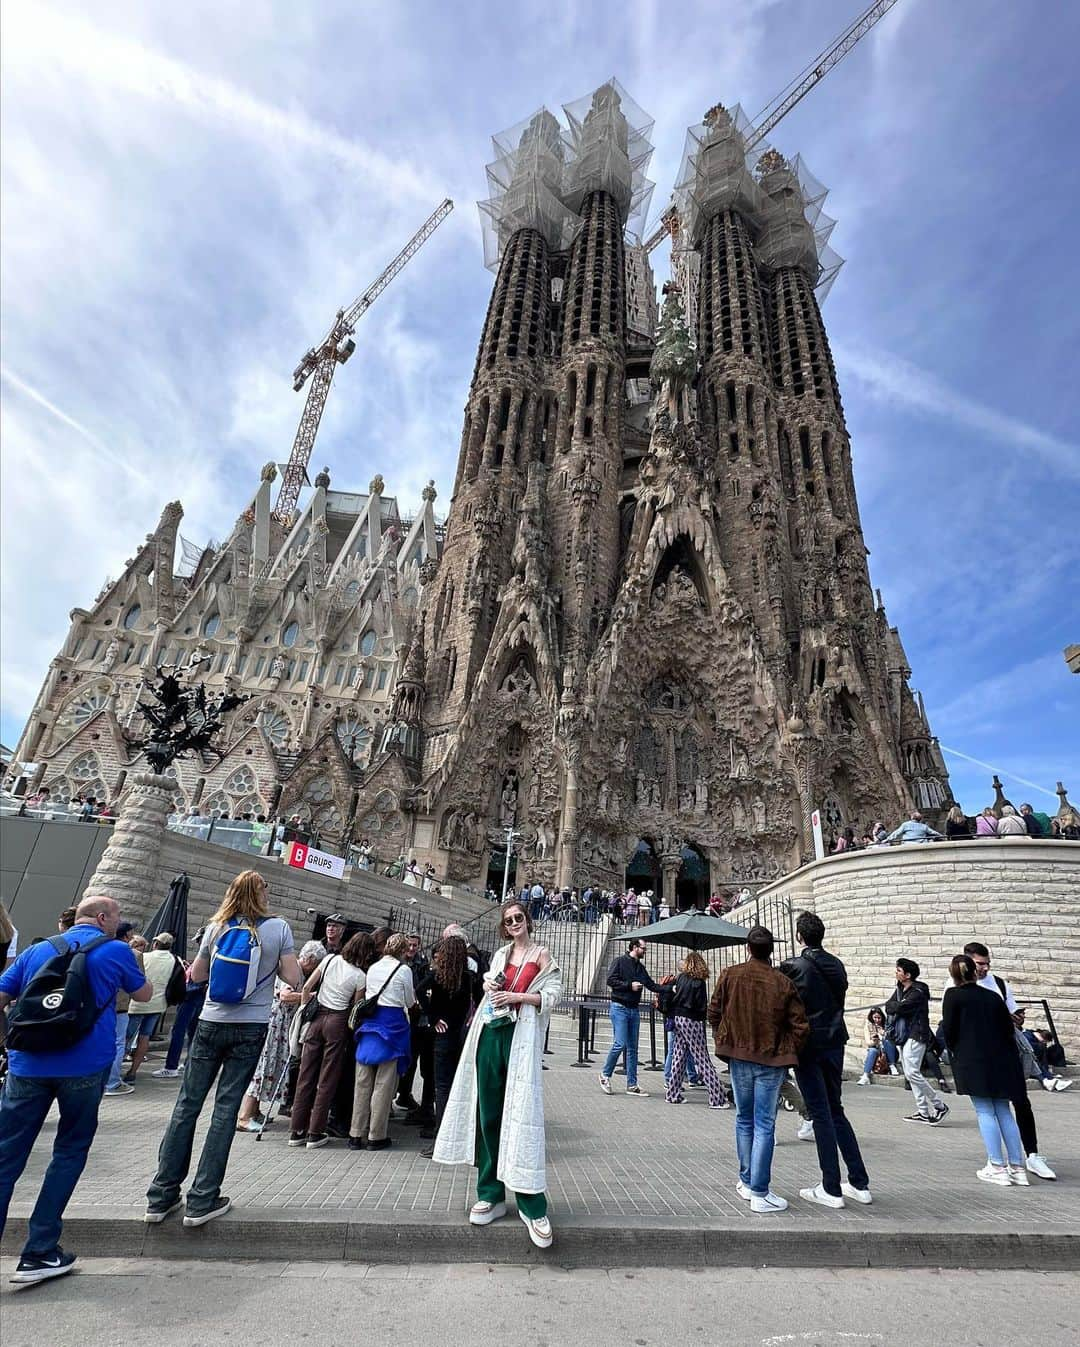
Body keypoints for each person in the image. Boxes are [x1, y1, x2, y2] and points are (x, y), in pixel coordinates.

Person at [0, 897, 151, 1283]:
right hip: (84, 1067)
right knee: (68, 1152)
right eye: (117, 918)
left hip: (27, 1064)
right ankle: (39, 1251)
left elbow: (2, 994)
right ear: (102, 918)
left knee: (5, 1158)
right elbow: (145, 994)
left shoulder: (39, 949)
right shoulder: (115, 950)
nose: (120, 925)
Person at [145, 870, 299, 1227]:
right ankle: (202, 1199)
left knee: (186, 1106)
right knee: (226, 1108)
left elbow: (196, 976)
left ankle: (161, 1196)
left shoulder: (216, 927)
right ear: (262, 893)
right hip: (250, 1026)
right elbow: (293, 978)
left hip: (211, 1022)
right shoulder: (278, 928)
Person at [433, 899, 562, 1250]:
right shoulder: (501, 955)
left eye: (519, 917)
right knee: (487, 1114)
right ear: (503, 926)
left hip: (519, 1037)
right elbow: (488, 989)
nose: (515, 922)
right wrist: (492, 989)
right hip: (492, 1033)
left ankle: (531, 1204)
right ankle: (489, 1192)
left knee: (521, 1116)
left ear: (528, 920)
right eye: (509, 920)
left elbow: (553, 995)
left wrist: (521, 996)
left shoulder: (543, 954)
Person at [707, 926, 809, 1215]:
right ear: (771, 950)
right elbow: (800, 1026)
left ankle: (746, 1180)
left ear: (748, 948)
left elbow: (713, 1012)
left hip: (739, 1057)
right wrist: (786, 1049)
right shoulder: (783, 982)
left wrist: (725, 1039)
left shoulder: (730, 975)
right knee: (764, 1123)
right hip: (771, 1059)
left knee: (744, 1119)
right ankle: (759, 1192)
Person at [780, 912, 871, 1209]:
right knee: (835, 1110)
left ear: (799, 936)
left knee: (820, 1113)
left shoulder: (796, 966)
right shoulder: (837, 964)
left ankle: (830, 1187)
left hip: (809, 1045)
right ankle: (859, 1182)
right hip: (835, 1042)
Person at [959, 942, 1061, 1179]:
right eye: (979, 964)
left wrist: (1015, 1019)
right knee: (993, 1108)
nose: (984, 968)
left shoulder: (999, 984)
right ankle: (1002, 1163)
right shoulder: (956, 986)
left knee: (1017, 1103)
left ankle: (1029, 1156)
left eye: (987, 963)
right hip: (981, 1054)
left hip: (1006, 1050)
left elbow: (1014, 1018)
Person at [942, 954, 1028, 1186]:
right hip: (1002, 1059)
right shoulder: (992, 996)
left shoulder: (953, 996)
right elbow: (1007, 1029)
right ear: (973, 971)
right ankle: (1018, 1167)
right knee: (1003, 1110)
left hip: (973, 1060)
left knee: (984, 1111)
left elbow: (949, 1031)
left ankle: (997, 1166)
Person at [288, 932, 370, 1148]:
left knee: (305, 1075)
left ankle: (296, 1130)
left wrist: (305, 1010)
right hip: (338, 1020)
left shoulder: (329, 959)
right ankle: (315, 1132)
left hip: (317, 1017)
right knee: (327, 1078)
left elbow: (307, 988)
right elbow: (356, 1007)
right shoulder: (360, 976)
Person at [236, 939, 326, 1130]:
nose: (315, 969)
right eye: (316, 964)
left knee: (269, 1066)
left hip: (281, 1024)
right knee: (264, 1065)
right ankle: (244, 1116)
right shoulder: (293, 970)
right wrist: (312, 995)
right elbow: (284, 996)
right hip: (275, 1024)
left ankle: (254, 1111)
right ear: (310, 959)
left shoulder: (295, 969)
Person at [349, 933, 415, 1151]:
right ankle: (376, 1136)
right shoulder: (404, 970)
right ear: (404, 950)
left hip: (370, 1024)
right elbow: (409, 1001)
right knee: (383, 1085)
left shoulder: (374, 967)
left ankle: (355, 1134)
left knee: (362, 1082)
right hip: (392, 1025)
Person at [416, 931, 472, 1154]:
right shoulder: (467, 977)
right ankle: (457, 1135)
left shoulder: (438, 975)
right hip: (460, 1034)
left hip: (443, 1033)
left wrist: (432, 1017)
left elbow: (419, 990)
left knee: (442, 1086)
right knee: (457, 1084)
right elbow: (476, 1000)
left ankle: (441, 1136)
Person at [885, 958, 948, 1125]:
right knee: (910, 1073)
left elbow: (898, 1008)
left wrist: (896, 1005)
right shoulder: (900, 988)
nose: (896, 973)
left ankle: (939, 1105)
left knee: (912, 1072)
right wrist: (895, 1005)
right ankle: (922, 1111)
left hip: (917, 1034)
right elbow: (889, 1005)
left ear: (908, 975)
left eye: (899, 970)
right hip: (905, 1036)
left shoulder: (918, 991)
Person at [599, 937, 662, 1097]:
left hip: (633, 1010)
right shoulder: (620, 961)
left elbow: (652, 985)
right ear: (634, 947)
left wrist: (672, 988)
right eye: (643, 948)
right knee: (620, 1044)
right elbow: (610, 980)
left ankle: (632, 1084)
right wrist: (629, 985)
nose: (645, 951)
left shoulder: (640, 968)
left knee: (633, 1048)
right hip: (619, 1007)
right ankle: (605, 1075)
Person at [664, 953, 728, 1109]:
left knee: (679, 1056)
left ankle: (673, 1094)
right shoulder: (698, 982)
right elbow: (701, 1006)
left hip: (678, 1019)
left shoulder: (680, 978)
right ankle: (716, 1097)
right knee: (702, 1058)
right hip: (692, 1020)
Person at [124, 933, 179, 1083]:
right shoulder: (174, 960)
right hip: (158, 1004)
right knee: (145, 1037)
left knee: (125, 1037)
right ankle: (133, 1072)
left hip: (137, 1003)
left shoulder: (144, 957)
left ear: (155, 943)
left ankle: (114, 1071)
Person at [858, 1007, 899, 1084]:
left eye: (879, 1018)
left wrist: (884, 1034)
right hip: (878, 1053)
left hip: (890, 1053)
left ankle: (892, 1066)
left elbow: (894, 1040)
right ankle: (865, 1076)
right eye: (875, 1017)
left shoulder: (887, 1025)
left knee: (886, 1040)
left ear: (882, 1017)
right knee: (872, 1050)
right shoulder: (868, 1026)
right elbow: (868, 1043)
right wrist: (874, 1041)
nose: (877, 1020)